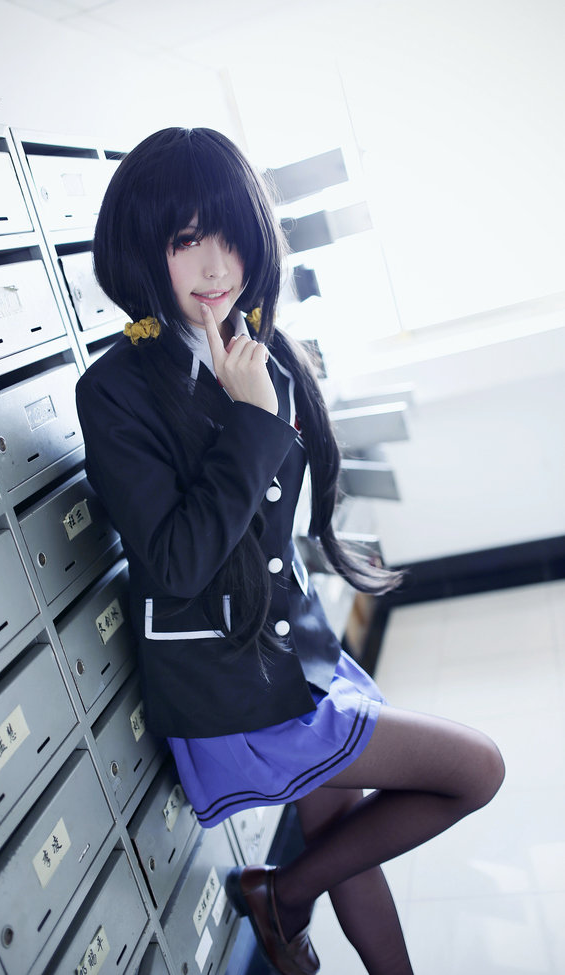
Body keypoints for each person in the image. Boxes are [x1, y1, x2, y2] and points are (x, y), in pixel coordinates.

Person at [76, 127, 504, 975]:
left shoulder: (256, 347)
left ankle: (292, 898)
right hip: (237, 693)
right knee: (477, 768)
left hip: (295, 657)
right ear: (143, 248)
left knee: (346, 834)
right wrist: (251, 419)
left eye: (230, 236)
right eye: (186, 240)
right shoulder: (116, 390)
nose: (216, 265)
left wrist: (256, 399)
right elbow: (176, 561)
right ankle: (282, 892)